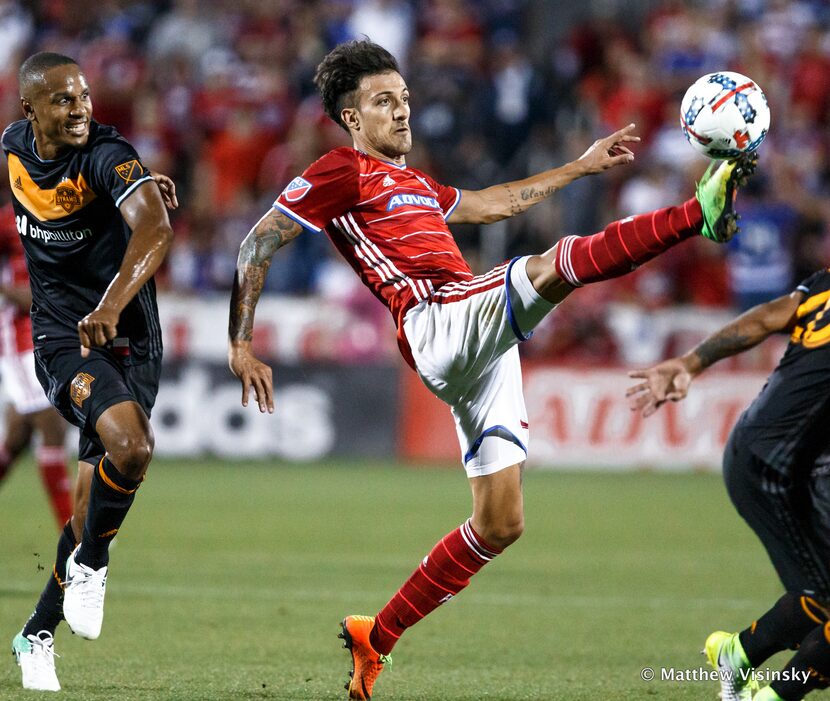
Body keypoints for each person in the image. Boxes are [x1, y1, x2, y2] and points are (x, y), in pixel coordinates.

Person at [227, 39, 754, 700]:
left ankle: (377, 636)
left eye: (405, 98)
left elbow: (493, 203)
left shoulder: (416, 183)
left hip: (478, 337)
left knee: (501, 521)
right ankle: (694, 216)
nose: (401, 111)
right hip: (435, 322)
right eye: (383, 102)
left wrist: (581, 167)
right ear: (352, 119)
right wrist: (240, 342)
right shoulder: (340, 170)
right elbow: (258, 239)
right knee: (554, 264)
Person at [4, 52, 176, 692]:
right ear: (31, 111)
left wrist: (111, 303)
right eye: (62, 100)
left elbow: (155, 228)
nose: (79, 109)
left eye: (84, 98)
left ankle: (35, 636)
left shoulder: (109, 153)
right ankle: (95, 565)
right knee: (131, 449)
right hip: (61, 336)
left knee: (86, 510)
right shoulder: (13, 147)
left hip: (129, 333)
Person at [627, 268, 830, 701]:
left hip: (764, 455)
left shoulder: (824, 285)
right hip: (777, 469)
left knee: (819, 595)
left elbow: (764, 319)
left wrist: (690, 362)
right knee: (824, 596)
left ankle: (738, 654)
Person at [0, 202, 73, 527]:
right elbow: (35, 298)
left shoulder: (52, 223)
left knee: (16, 440)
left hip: (46, 341)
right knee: (51, 424)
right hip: (20, 342)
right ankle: (71, 530)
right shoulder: (9, 224)